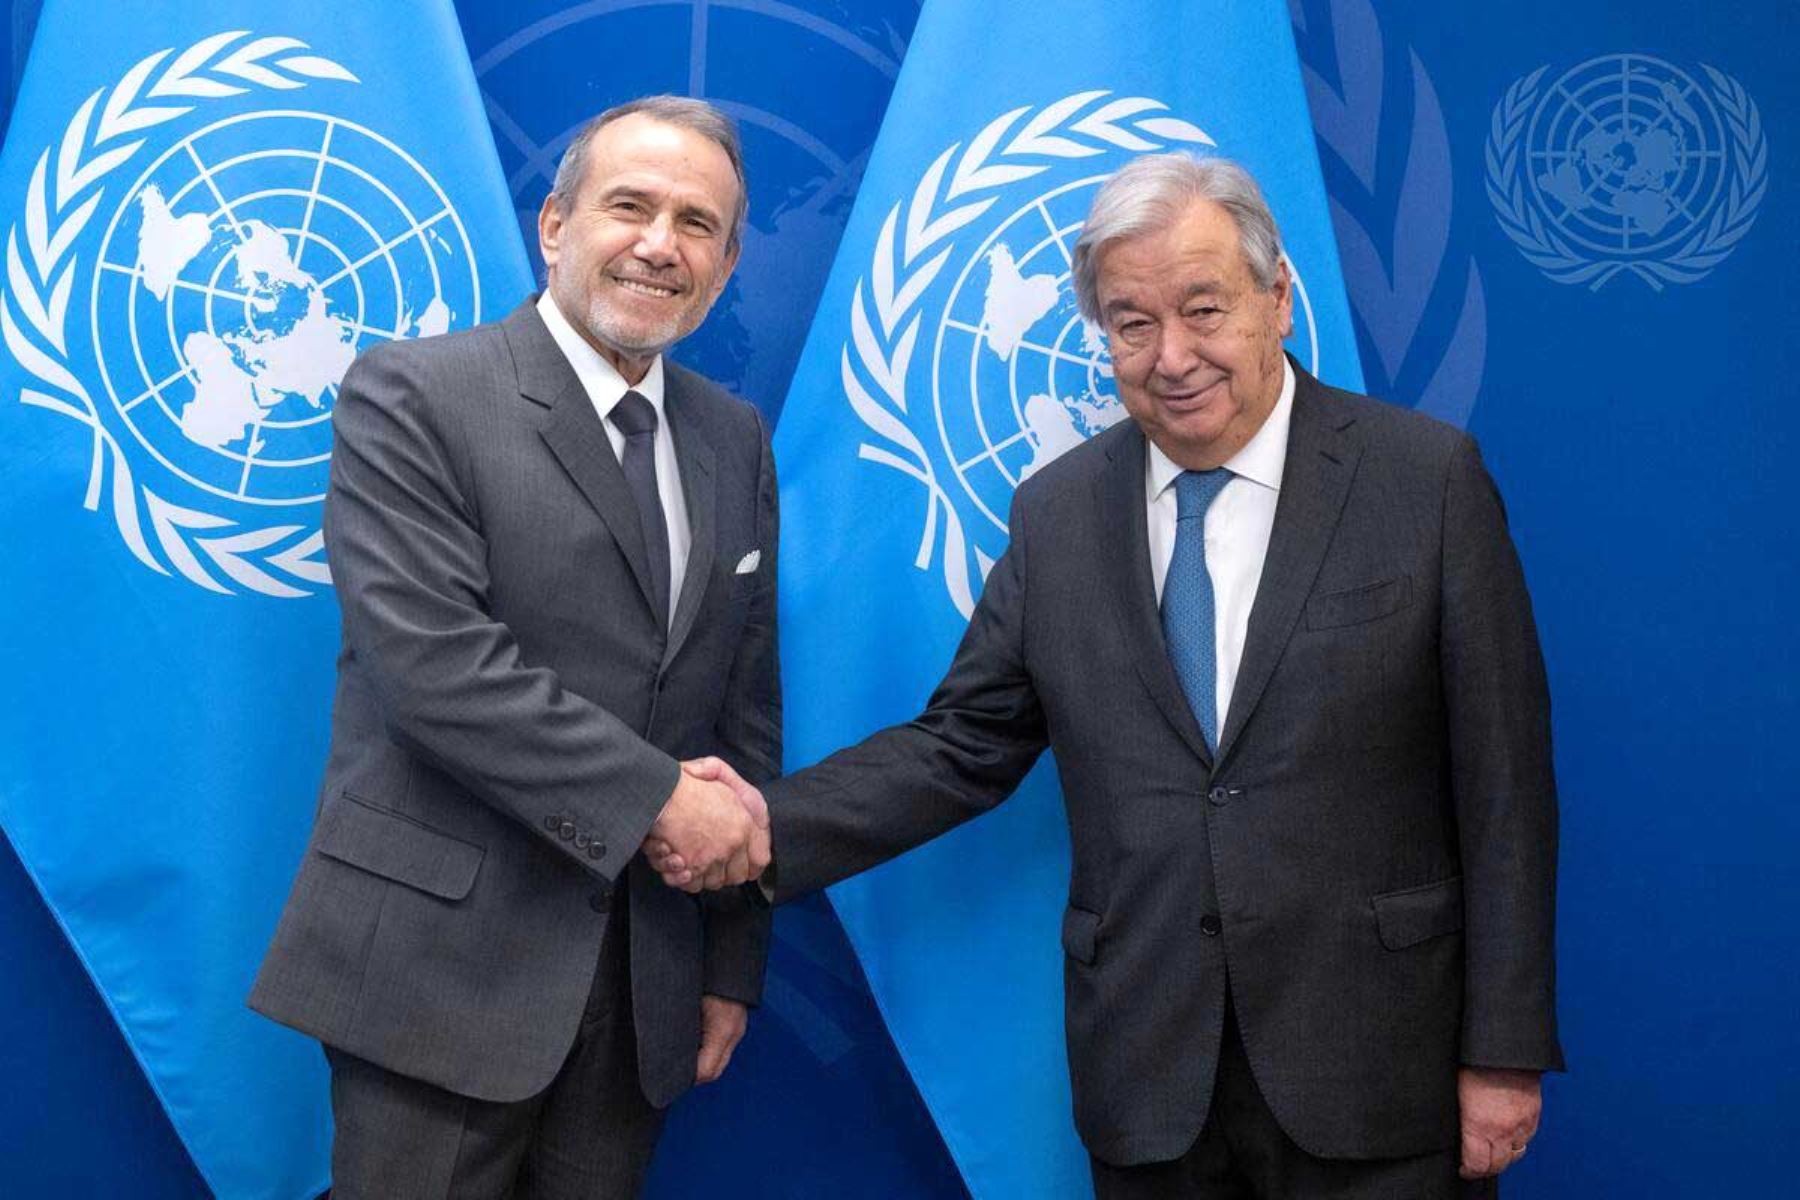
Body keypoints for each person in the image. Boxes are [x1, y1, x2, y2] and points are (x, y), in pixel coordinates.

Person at [660, 153, 1562, 1198]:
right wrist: (764, 827)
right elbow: (961, 747)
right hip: (1152, 1078)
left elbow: (1505, 788)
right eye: (1132, 323)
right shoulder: (1060, 513)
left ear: (1276, 301)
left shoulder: (1426, 480)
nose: (1170, 355)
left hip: (1378, 1068)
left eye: (1203, 309)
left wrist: (1503, 1049)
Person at [250, 95, 779, 1199]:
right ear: (555, 224)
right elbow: (435, 667)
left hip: (642, 987)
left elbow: (740, 711)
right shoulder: (416, 392)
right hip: (438, 974)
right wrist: (658, 803)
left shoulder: (734, 440)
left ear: (726, 266)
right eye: (629, 205)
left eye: (696, 224)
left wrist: (728, 958)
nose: (658, 244)